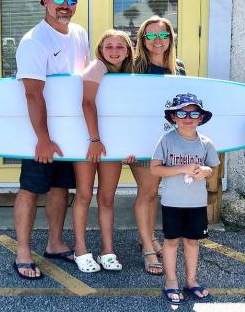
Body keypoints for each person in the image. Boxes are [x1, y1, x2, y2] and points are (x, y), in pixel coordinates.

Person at [13, 0, 89, 280]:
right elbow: (33, 94)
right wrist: (43, 139)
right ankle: (22, 252)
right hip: (39, 133)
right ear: (44, 2)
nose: (65, 6)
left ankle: (55, 244)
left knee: (61, 188)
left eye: (71, 1)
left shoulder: (79, 33)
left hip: (69, 132)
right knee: (31, 189)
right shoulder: (35, 41)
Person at [72, 30, 134, 273]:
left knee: (107, 198)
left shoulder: (129, 75)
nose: (115, 51)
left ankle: (107, 250)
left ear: (128, 50)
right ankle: (81, 249)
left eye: (120, 46)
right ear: (100, 49)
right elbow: (87, 102)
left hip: (113, 145)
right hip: (89, 142)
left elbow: (129, 116)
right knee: (84, 195)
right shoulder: (97, 67)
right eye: (109, 46)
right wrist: (94, 139)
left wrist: (130, 147)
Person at [150, 93, 219, 305]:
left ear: (201, 118)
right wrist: (182, 168)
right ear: (173, 117)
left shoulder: (206, 143)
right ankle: (171, 281)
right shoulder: (167, 140)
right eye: (181, 113)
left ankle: (191, 280)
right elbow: (155, 169)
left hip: (196, 203)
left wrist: (206, 170)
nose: (187, 117)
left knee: (192, 242)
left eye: (193, 113)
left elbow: (212, 168)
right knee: (171, 242)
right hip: (172, 202)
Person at [131, 16, 186, 276]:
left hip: (167, 142)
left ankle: (149, 237)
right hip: (141, 141)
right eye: (151, 36)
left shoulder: (179, 68)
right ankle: (148, 249)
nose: (157, 41)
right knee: (148, 191)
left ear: (170, 39)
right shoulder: (133, 67)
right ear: (143, 39)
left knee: (155, 193)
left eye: (162, 35)